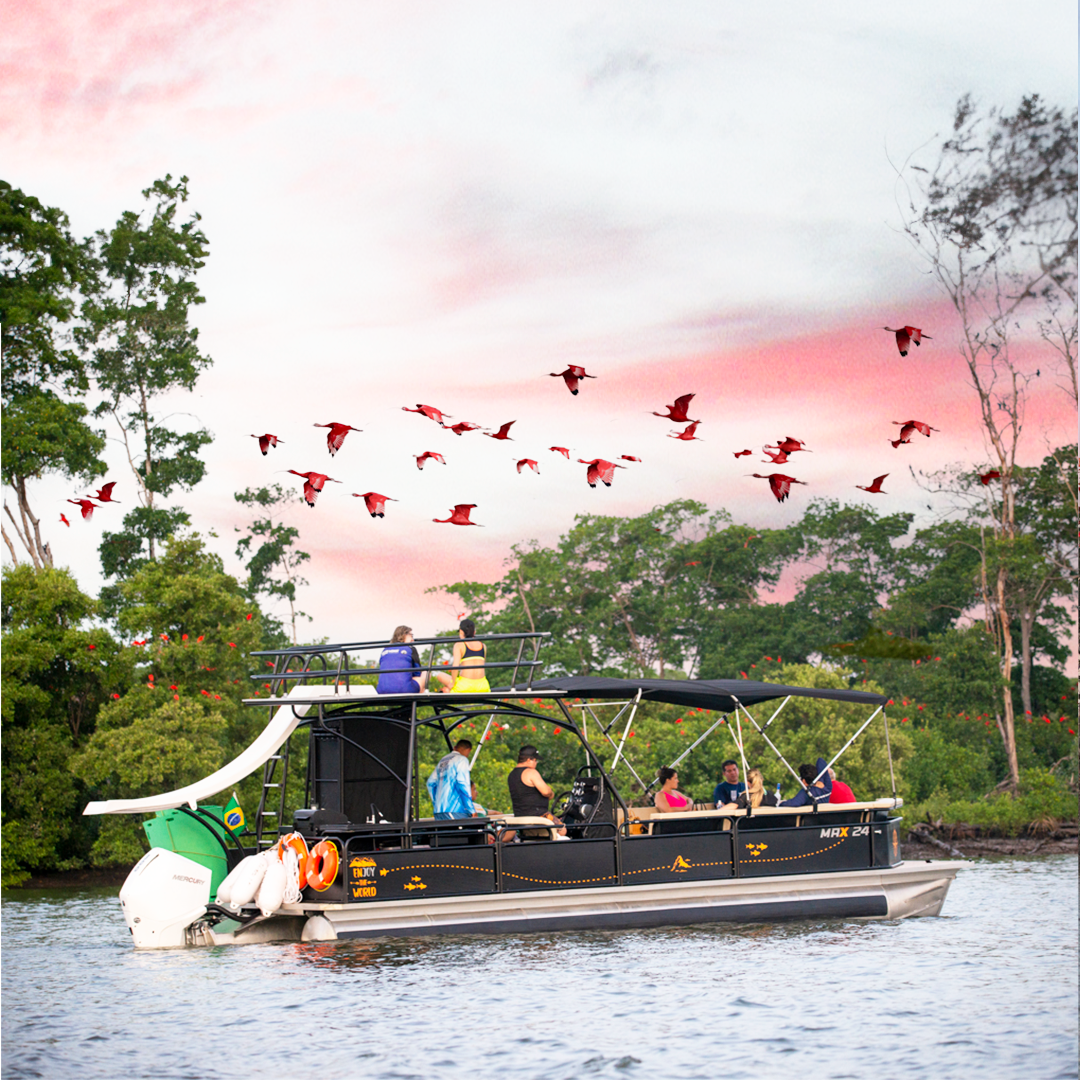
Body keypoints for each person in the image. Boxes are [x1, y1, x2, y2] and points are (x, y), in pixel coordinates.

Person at [506, 746, 566, 837]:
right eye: (535, 760)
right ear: (529, 759)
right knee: (563, 829)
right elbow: (546, 792)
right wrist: (551, 792)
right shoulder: (531, 772)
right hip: (537, 816)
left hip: (520, 816)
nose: (536, 763)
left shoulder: (512, 775)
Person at [376, 625, 452, 694]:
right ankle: (420, 695)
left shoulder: (385, 650)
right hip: (404, 689)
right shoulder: (410, 649)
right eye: (411, 636)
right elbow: (418, 673)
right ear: (404, 635)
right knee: (426, 673)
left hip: (381, 690)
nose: (413, 640)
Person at [426, 739, 477, 819]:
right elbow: (462, 784)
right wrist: (471, 810)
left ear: (455, 748)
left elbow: (430, 783)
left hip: (439, 811)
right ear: (468, 750)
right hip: (454, 810)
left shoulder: (443, 760)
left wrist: (436, 802)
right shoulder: (462, 760)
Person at [448, 618, 490, 693]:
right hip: (483, 687)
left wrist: (452, 683)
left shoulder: (459, 645)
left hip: (465, 686)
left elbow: (455, 667)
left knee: (440, 676)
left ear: (461, 632)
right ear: (474, 632)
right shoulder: (483, 646)